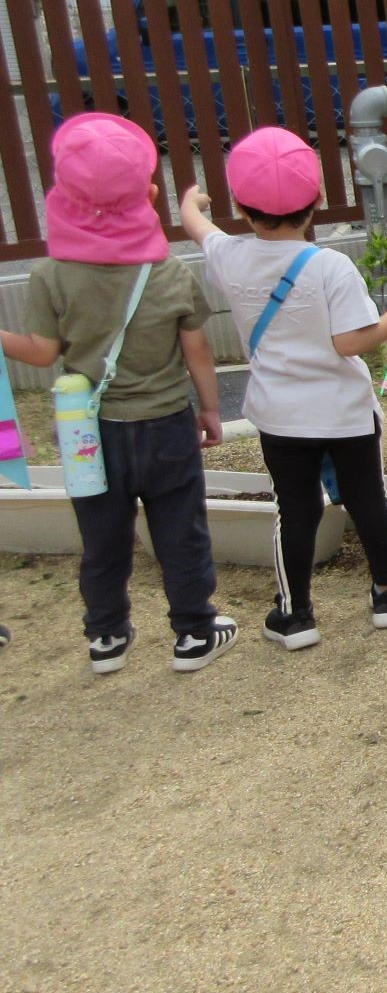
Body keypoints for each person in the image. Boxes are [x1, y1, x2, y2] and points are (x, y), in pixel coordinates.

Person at [0, 113, 236, 674]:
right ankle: (194, 633)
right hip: (167, 423)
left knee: (101, 535)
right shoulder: (168, 272)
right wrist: (209, 408)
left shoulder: (51, 275)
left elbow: (40, 352)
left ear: (61, 200)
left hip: (89, 431)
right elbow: (198, 350)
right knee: (180, 530)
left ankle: (106, 635)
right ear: (150, 196)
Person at [179, 127, 387, 651]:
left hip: (281, 416)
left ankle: (295, 614)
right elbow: (350, 342)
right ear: (317, 201)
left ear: (241, 208)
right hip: (345, 412)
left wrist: (191, 202)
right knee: (366, 498)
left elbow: (198, 228)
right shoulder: (330, 265)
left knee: (295, 508)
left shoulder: (230, 257)